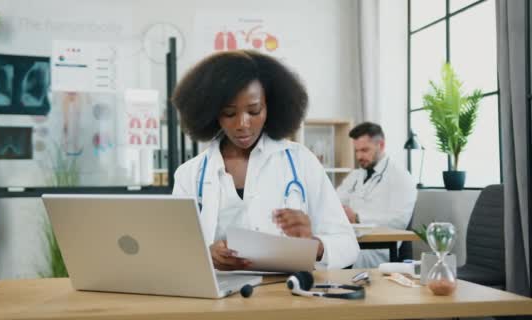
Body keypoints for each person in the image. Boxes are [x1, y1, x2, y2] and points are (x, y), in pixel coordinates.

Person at [171, 50, 359, 270]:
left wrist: (313, 246)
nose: (243, 123)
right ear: (212, 113)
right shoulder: (189, 174)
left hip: (286, 295)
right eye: (229, 113)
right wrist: (206, 254)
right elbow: (175, 250)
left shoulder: (301, 162)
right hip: (219, 297)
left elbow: (348, 246)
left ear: (270, 106)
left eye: (254, 110)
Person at [336, 122, 417, 268]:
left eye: (365, 150)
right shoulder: (356, 175)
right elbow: (335, 201)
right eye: (357, 151)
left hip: (379, 250)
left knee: (330, 258)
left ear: (381, 145)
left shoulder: (401, 177)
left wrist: (357, 217)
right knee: (316, 252)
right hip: (353, 241)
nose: (359, 156)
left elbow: (398, 221)